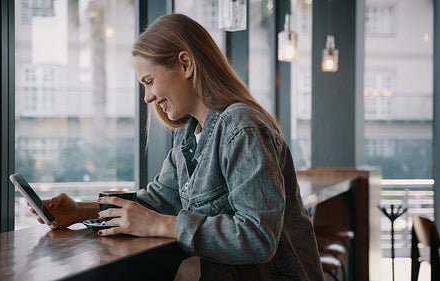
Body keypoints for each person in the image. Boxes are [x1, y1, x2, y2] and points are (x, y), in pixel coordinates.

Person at [30, 13, 324, 281]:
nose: (147, 97)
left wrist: (161, 225)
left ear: (186, 64)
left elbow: (258, 237)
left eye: (149, 81)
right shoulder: (188, 137)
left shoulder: (241, 126)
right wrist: (79, 211)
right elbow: (156, 200)